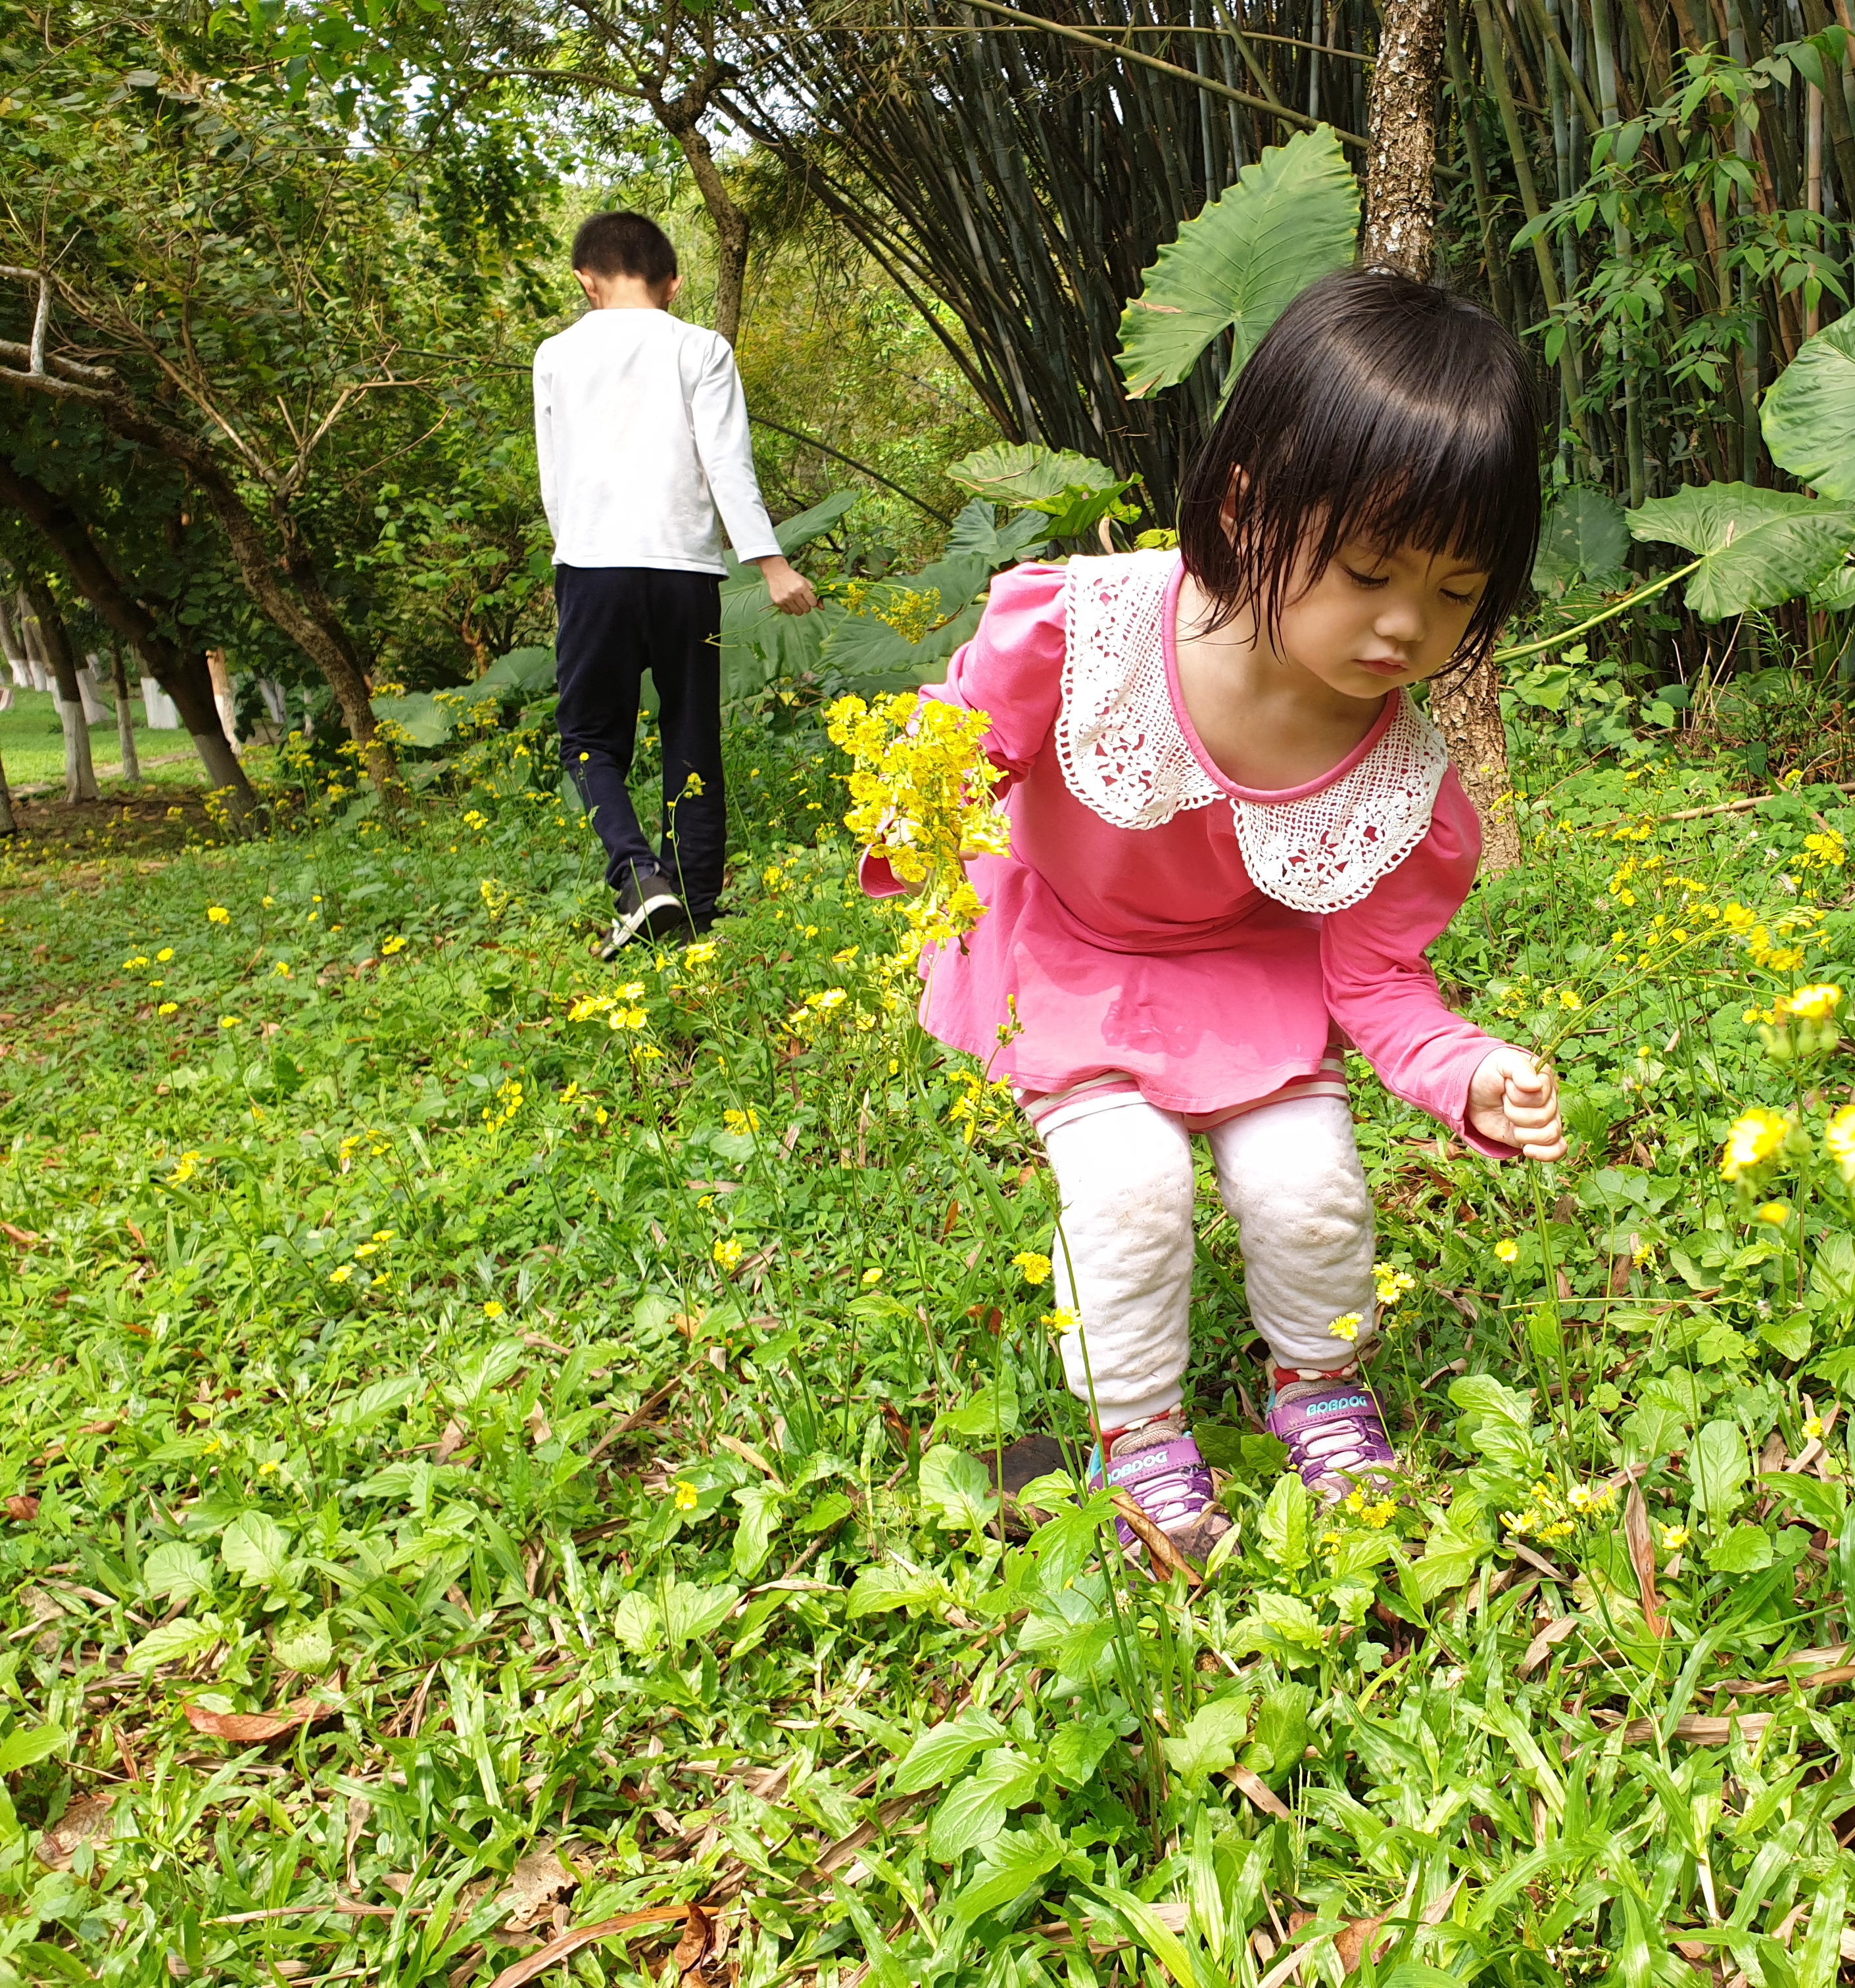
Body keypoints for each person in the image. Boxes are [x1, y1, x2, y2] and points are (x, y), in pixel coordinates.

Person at [861, 270, 1566, 1565]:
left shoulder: (1398, 782)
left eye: (1458, 593)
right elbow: (953, 757)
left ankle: (1324, 1394)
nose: (1404, 626)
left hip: (1253, 994)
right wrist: (919, 817)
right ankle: (1135, 1439)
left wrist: (1471, 1073)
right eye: (1367, 570)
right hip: (1076, 964)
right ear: (1247, 507)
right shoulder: (1087, 635)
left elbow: (1380, 988)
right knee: (1128, 1192)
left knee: (1310, 1190)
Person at [533, 210, 817, 958]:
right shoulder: (702, 348)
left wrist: (572, 559)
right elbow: (727, 463)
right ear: (674, 283)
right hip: (685, 574)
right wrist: (771, 563)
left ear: (584, 281)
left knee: (592, 738)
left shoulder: (555, 355)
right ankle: (693, 903)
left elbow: (553, 480)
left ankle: (636, 877)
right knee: (692, 729)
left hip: (593, 569)